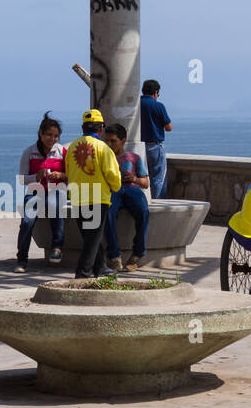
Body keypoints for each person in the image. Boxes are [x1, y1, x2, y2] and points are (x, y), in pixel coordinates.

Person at [64, 108, 121, 279]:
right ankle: (82, 273)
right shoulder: (103, 148)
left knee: (90, 236)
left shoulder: (72, 146)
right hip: (97, 198)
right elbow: (113, 174)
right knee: (93, 239)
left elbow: (68, 170)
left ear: (83, 128)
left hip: (77, 198)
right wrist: (115, 187)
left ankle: (101, 268)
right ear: (101, 128)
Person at [14, 112, 68, 272]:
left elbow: (71, 176)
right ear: (41, 134)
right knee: (27, 222)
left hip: (56, 190)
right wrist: (36, 176)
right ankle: (22, 259)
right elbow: (22, 179)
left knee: (55, 207)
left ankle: (57, 248)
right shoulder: (29, 152)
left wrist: (61, 175)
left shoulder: (61, 152)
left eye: (56, 136)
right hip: (35, 191)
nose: (53, 139)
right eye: (49, 135)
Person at [103, 123, 149, 271]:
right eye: (107, 141)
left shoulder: (133, 158)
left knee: (143, 211)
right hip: (112, 191)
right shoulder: (102, 158)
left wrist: (134, 179)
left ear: (123, 141)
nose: (109, 144)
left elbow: (145, 183)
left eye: (113, 141)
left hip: (131, 189)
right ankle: (114, 256)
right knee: (108, 213)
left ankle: (137, 254)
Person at [139, 79, 172, 199]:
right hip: (154, 146)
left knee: (140, 177)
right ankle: (158, 204)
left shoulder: (136, 104)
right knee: (158, 179)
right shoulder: (158, 106)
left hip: (139, 147)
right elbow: (169, 127)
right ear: (156, 92)